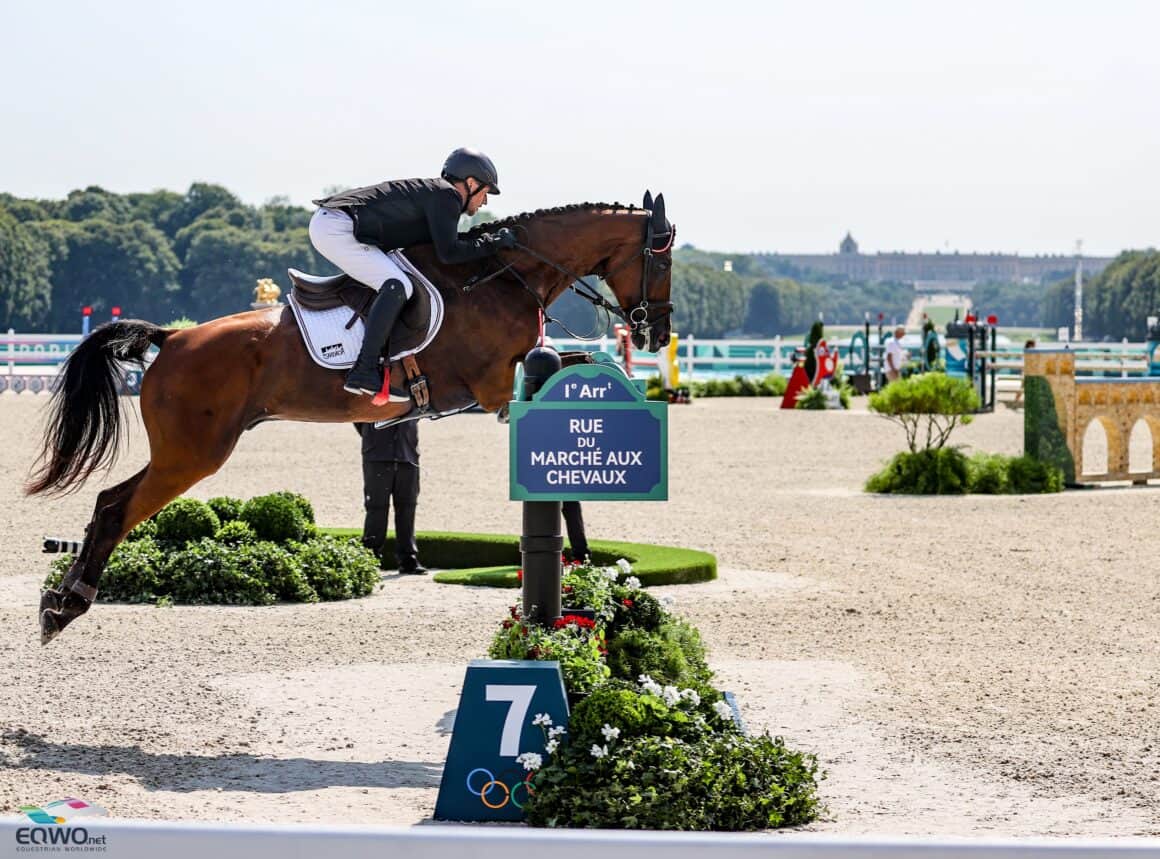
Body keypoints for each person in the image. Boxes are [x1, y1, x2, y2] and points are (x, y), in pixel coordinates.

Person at [310, 148, 518, 398]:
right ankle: (364, 370)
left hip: (337, 224)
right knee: (397, 285)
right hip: (336, 227)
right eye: (485, 192)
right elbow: (449, 253)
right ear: (470, 183)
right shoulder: (447, 196)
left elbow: (443, 248)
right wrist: (494, 243)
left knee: (399, 280)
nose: (484, 201)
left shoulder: (440, 196)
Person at [355, 420, 425, 574]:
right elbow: (359, 418)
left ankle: (408, 559)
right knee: (376, 508)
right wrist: (372, 438)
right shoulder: (371, 395)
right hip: (377, 455)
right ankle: (370, 557)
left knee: (407, 507)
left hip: (408, 454)